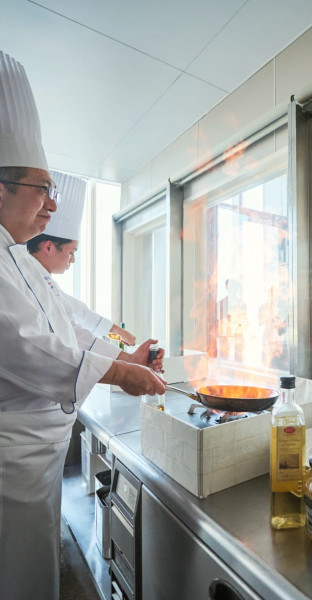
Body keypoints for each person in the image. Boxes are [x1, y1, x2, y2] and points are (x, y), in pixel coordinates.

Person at [0, 51, 165, 600]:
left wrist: (129, 353)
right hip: (11, 459)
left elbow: (81, 326)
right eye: (40, 189)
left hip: (38, 456)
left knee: (37, 564)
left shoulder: (21, 262)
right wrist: (122, 371)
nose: (49, 204)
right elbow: (29, 348)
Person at [26, 170, 136, 345]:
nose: (73, 260)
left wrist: (116, 331)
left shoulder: (42, 278)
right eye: (71, 252)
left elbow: (77, 310)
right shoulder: (28, 277)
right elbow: (71, 330)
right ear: (48, 247)